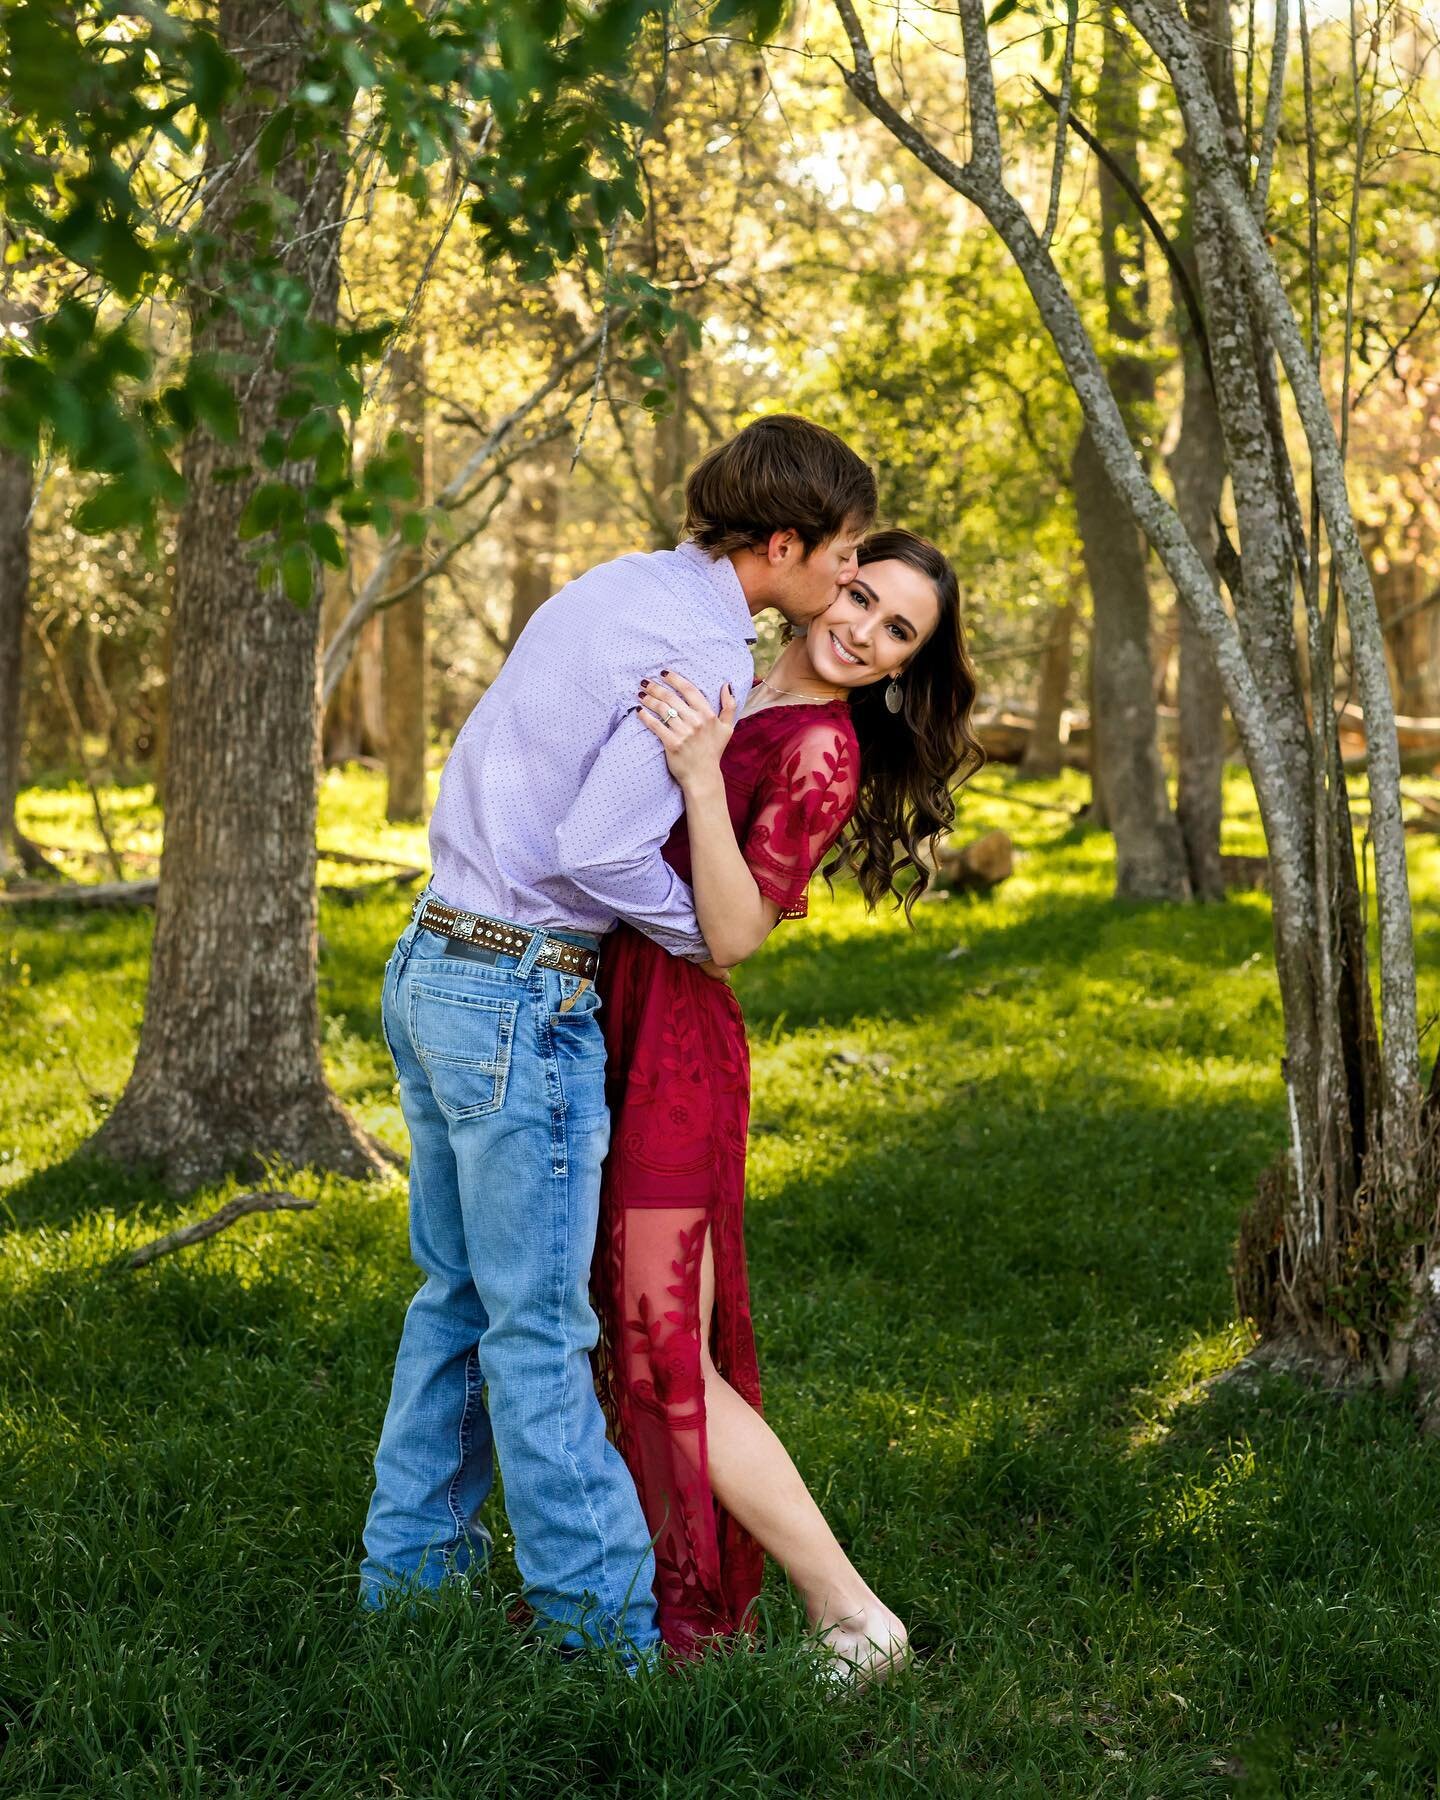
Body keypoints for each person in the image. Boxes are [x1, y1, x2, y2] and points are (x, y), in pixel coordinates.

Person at [358, 415, 877, 1662]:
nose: (850, 580)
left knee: (457, 1300)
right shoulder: (704, 647)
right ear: (789, 541)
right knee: (540, 1328)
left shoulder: (620, 582)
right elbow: (594, 848)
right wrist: (697, 934)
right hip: (521, 994)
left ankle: (408, 1587)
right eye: (847, 552)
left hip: (434, 956)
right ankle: (606, 1642)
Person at [592, 528, 982, 1682]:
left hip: (675, 1057)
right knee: (629, 1344)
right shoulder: (736, 669)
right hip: (605, 1024)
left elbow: (734, 934)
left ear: (910, 663)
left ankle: (856, 1617)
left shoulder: (819, 748)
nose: (860, 629)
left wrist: (699, 778)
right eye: (861, 596)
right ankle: (644, 1593)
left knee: (668, 1354)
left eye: (895, 630)